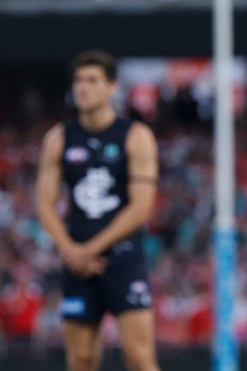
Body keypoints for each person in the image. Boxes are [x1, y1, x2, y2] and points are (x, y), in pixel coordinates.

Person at [36, 49, 160, 371]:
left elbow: (141, 207)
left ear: (112, 87)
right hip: (76, 261)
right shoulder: (60, 138)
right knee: (80, 360)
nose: (83, 88)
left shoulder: (135, 136)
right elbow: (44, 203)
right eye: (78, 80)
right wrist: (70, 251)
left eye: (92, 80)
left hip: (122, 258)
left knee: (140, 357)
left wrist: (88, 250)